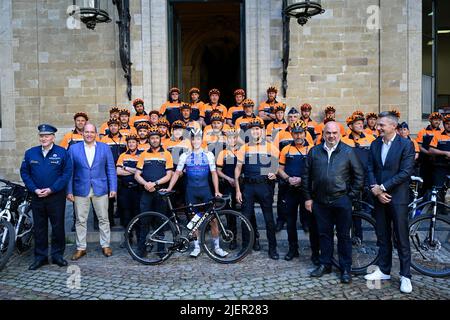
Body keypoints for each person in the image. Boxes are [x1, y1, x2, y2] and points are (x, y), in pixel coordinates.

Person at [302, 121, 364, 284]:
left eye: (334, 133)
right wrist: (308, 198)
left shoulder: (348, 151)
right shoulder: (314, 151)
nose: (331, 136)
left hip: (341, 199)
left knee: (344, 236)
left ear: (340, 133)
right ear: (323, 134)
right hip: (320, 201)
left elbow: (359, 176)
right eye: (328, 133)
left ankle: (345, 269)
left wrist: (350, 196)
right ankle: (325, 264)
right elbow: (306, 176)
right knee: (324, 235)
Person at [365, 111, 415, 294]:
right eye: (377, 125)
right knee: (382, 235)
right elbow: (370, 167)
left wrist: (383, 187)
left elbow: (405, 172)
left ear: (393, 126)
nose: (377, 127)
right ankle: (384, 270)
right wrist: (375, 189)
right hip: (379, 197)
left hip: (398, 198)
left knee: (401, 238)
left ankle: (405, 276)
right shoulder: (375, 143)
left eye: (381, 125)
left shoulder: (406, 145)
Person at [163, 130, 226, 258]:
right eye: (193, 139)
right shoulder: (184, 155)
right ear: (191, 141)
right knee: (193, 219)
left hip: (205, 190)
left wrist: (217, 191)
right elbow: (176, 173)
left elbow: (214, 174)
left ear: (201, 140)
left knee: (213, 220)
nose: (195, 141)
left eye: (198, 139)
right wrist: (169, 188)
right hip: (191, 191)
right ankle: (196, 247)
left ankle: (217, 247)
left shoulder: (208, 155)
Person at [20, 124, 73, 270]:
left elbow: (66, 174)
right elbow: (25, 173)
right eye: (42, 136)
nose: (44, 138)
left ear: (53, 137)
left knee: (57, 227)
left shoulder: (62, 153)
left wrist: (52, 189)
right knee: (39, 228)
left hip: (56, 197)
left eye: (47, 136)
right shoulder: (30, 153)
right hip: (37, 196)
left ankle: (57, 256)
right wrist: (34, 189)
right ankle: (40, 257)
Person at [67, 123, 117, 260]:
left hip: (100, 188)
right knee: (80, 220)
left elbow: (111, 169)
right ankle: (80, 248)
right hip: (80, 189)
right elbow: (69, 172)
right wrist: (69, 190)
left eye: (92, 132)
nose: (89, 134)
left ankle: (105, 245)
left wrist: (113, 188)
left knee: (104, 219)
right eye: (86, 132)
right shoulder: (73, 149)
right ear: (82, 133)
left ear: (96, 134)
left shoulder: (105, 148)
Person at [235, 117, 280, 260]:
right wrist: (237, 190)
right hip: (248, 186)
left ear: (262, 130)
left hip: (264, 186)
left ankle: (272, 249)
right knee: (245, 218)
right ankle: (245, 248)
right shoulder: (244, 147)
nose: (255, 131)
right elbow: (237, 169)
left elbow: (277, 166)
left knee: (269, 219)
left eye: (257, 129)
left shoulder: (270, 147)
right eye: (252, 129)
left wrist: (274, 172)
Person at [277, 120, 320, 264]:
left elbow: (316, 171)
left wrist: (302, 179)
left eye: (300, 133)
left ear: (305, 133)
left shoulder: (313, 149)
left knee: (312, 222)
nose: (298, 136)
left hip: (307, 191)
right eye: (295, 133)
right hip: (290, 190)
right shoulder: (285, 149)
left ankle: (315, 252)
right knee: (290, 222)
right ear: (292, 134)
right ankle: (293, 249)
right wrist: (288, 179)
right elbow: (279, 169)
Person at [134, 127, 174, 257]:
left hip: (160, 191)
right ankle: (141, 249)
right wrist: (146, 184)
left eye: (157, 138)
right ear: (149, 140)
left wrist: (155, 183)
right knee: (144, 220)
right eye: (152, 138)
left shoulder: (167, 154)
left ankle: (161, 250)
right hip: (146, 191)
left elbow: (169, 175)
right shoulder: (144, 154)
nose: (155, 140)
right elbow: (137, 175)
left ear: (160, 139)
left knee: (160, 220)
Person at [101, 118, 127, 227]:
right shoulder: (104, 140)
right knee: (110, 199)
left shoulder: (125, 139)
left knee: (122, 198)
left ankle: (123, 221)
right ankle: (110, 222)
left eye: (115, 125)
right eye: (111, 126)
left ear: (119, 126)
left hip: (122, 171)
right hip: (109, 172)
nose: (113, 127)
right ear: (109, 127)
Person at [116, 134, 141, 246]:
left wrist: (125, 168)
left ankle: (140, 238)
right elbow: (118, 172)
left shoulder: (142, 155)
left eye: (133, 142)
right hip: (125, 190)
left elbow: (141, 172)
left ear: (137, 143)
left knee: (138, 214)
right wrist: (134, 170)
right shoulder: (122, 155)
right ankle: (128, 238)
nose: (131, 144)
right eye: (129, 142)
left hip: (137, 189)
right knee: (126, 215)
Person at [416, 112, 443, 193]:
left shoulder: (442, 131)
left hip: (438, 163)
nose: (437, 122)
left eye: (439, 120)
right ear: (430, 120)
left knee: (436, 184)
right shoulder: (423, 132)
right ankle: (423, 203)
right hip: (425, 162)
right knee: (424, 184)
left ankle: (435, 203)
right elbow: (419, 146)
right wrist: (428, 153)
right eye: (435, 120)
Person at [428, 114, 450, 188]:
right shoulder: (438, 135)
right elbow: (430, 150)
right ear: (443, 124)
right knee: (439, 189)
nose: (449, 125)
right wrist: (445, 153)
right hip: (440, 168)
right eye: (447, 123)